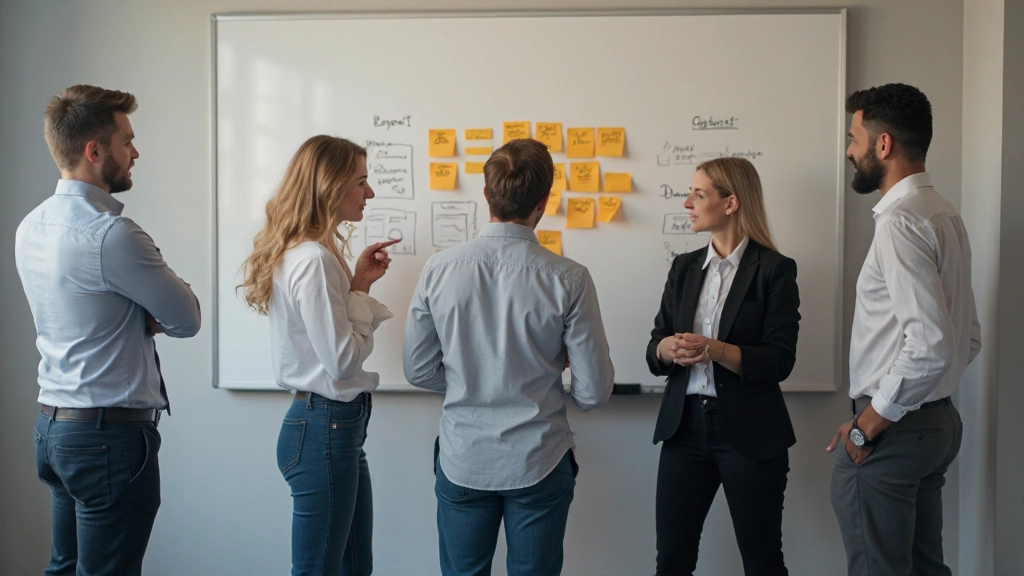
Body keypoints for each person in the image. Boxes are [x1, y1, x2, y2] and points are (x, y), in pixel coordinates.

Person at [403, 138, 615, 576]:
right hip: (539, 457)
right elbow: (593, 393)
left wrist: (471, 377)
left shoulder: (439, 269)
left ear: (485, 194)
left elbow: (419, 369)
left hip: (463, 456)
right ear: (544, 202)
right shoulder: (569, 278)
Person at [14, 85, 201, 575]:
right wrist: (142, 309)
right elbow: (186, 318)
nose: (135, 152)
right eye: (127, 141)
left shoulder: (29, 226)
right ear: (94, 152)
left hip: (53, 431)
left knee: (64, 568)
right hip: (106, 439)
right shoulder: (112, 235)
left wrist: (128, 308)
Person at [827, 83, 981, 576]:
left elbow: (933, 344)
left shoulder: (899, 222)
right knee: (923, 568)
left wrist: (870, 422)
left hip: (896, 429)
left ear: (884, 144)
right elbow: (967, 337)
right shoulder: (943, 214)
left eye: (854, 138)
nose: (850, 151)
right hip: (936, 424)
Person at [239, 135, 399, 576]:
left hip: (331, 429)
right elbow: (344, 360)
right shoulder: (313, 259)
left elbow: (330, 345)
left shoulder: (314, 254)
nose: (370, 193)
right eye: (361, 182)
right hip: (325, 428)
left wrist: (359, 287)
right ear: (330, 186)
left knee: (350, 567)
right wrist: (364, 310)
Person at [646, 157, 800, 576]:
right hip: (684, 430)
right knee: (672, 560)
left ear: (731, 203)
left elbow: (780, 360)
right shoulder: (683, 268)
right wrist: (667, 350)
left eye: (698, 194)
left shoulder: (774, 270)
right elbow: (653, 347)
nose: (687, 203)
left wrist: (718, 350)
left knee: (762, 561)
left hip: (750, 432)